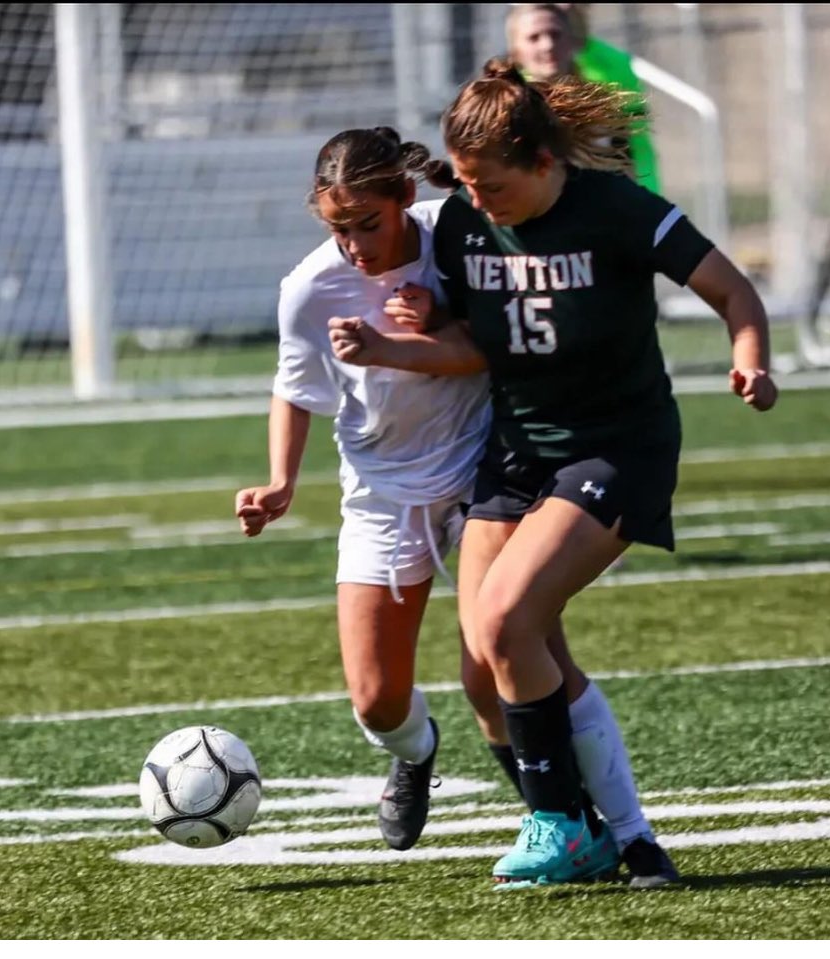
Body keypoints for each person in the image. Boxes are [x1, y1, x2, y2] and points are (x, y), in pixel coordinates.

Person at [328, 59, 778, 889]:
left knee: (503, 623)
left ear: (543, 162)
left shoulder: (617, 210)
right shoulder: (465, 222)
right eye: (463, 183)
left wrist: (749, 359)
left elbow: (733, 291)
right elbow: (476, 342)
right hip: (517, 449)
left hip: (616, 447)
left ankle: (562, 825)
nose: (473, 200)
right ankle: (627, 839)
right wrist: (406, 336)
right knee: (485, 658)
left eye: (488, 184)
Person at [237, 125, 677, 888]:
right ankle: (414, 754)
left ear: (406, 197)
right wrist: (279, 480)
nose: (353, 246)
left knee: (506, 656)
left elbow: (500, 340)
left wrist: (430, 325)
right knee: (376, 701)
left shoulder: (458, 236)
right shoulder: (309, 286)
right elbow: (295, 387)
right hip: (380, 496)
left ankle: (603, 831)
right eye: (337, 229)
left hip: (485, 473)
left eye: (366, 224)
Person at [506, 2, 662, 195]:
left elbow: (628, 152)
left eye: (555, 34)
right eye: (534, 37)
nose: (547, 45)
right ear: (515, 51)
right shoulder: (510, 104)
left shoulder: (604, 81)